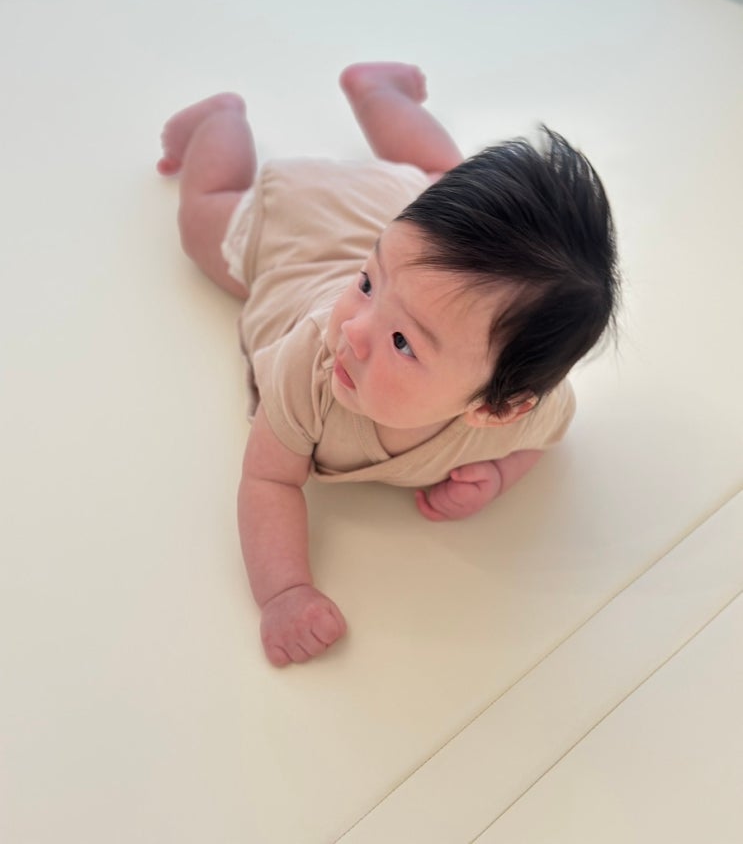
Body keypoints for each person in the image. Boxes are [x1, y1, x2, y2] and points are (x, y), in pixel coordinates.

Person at [157, 62, 620, 668]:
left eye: (403, 343)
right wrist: (285, 592)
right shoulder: (312, 363)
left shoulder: (526, 409)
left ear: (496, 409)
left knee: (438, 174)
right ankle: (218, 120)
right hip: (297, 230)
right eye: (367, 284)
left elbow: (544, 437)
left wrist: (499, 474)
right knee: (203, 220)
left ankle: (377, 92)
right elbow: (269, 479)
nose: (353, 331)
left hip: (397, 215)